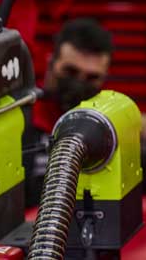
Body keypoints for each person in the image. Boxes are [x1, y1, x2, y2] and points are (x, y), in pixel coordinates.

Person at [25, 17, 112, 206]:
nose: (78, 84)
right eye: (70, 72)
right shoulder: (19, 114)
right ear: (51, 62)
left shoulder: (108, 121)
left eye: (91, 77)